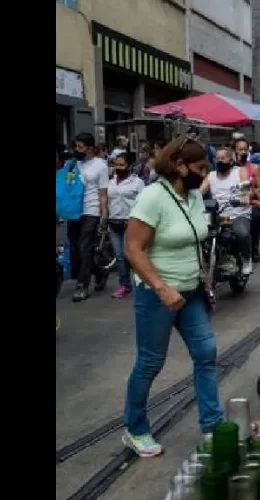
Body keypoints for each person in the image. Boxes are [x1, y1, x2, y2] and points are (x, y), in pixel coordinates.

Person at [122, 135, 223, 457]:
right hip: (158, 295)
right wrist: (162, 288)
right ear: (178, 166)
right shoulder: (153, 197)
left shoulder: (193, 195)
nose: (204, 173)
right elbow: (132, 250)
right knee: (150, 362)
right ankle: (135, 429)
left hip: (190, 292)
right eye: (199, 167)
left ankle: (213, 425)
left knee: (206, 353)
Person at [67, 132, 110, 302]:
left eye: (80, 147)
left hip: (91, 210)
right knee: (77, 248)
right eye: (75, 146)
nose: (76, 150)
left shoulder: (100, 165)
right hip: (74, 210)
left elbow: (103, 193)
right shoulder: (73, 164)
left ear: (90, 148)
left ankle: (82, 285)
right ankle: (100, 272)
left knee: (85, 247)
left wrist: (103, 216)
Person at [200, 147, 255, 276]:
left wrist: (244, 197)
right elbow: (199, 192)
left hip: (237, 214)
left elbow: (247, 190)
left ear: (231, 160)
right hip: (218, 215)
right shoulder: (211, 176)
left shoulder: (240, 172)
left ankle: (247, 259)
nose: (220, 161)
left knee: (242, 233)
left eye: (223, 158)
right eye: (217, 158)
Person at [107, 153, 146, 299]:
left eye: (121, 165)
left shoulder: (137, 183)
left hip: (130, 223)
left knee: (130, 255)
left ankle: (141, 281)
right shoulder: (110, 181)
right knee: (119, 256)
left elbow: (143, 204)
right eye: (116, 164)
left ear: (129, 166)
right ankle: (124, 285)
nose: (118, 168)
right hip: (113, 221)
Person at [233, 138, 260, 261]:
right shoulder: (230, 169)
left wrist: (250, 194)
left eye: (245, 149)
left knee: (255, 217)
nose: (243, 152)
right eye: (240, 149)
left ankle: (254, 248)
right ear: (234, 151)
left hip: (250, 204)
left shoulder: (255, 168)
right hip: (232, 204)